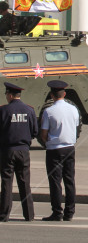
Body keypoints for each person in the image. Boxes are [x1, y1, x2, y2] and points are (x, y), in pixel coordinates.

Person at [39, 80, 80, 221]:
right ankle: (70, 212)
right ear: (65, 94)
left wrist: (47, 142)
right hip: (69, 147)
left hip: (54, 149)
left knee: (55, 182)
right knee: (69, 180)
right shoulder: (73, 109)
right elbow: (75, 127)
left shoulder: (48, 112)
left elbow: (43, 134)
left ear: (51, 95)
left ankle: (57, 212)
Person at [0, 82, 37, 222]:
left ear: (9, 95)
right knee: (24, 182)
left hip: (8, 150)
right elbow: (35, 131)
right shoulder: (29, 110)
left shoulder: (3, 111)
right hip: (23, 150)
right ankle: (29, 214)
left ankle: (4, 214)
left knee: (6, 183)